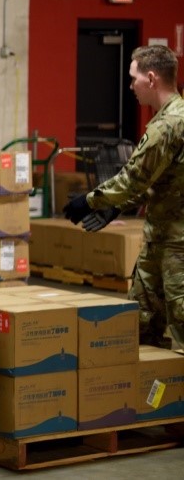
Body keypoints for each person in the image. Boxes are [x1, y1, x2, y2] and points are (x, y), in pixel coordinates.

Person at [63, 44, 184, 349]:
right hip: (160, 238)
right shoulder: (170, 119)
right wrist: (117, 206)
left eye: (133, 79)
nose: (131, 86)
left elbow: (133, 178)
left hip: (177, 246)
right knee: (141, 324)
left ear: (152, 79)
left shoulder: (168, 126)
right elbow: (158, 182)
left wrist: (91, 200)